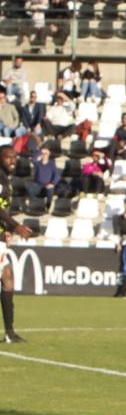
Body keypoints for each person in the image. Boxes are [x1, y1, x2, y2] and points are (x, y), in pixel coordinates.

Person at [0, 146, 35, 343]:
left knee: (7, 277)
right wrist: (16, 225)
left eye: (14, 158)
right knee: (6, 278)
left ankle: (9, 332)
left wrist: (5, 229)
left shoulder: (5, 179)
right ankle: (9, 332)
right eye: (8, 158)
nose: (12, 161)